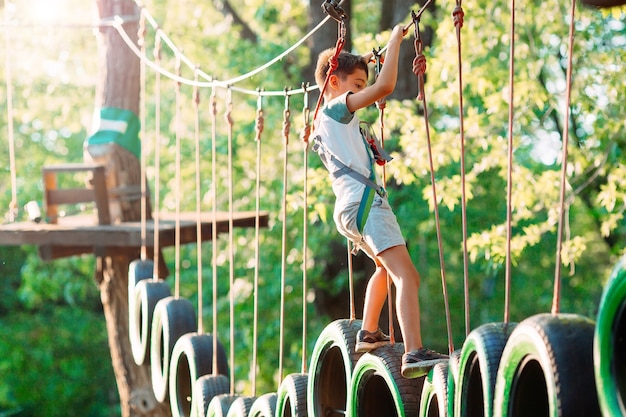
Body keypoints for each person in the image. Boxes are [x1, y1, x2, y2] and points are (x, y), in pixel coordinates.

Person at [310, 24, 448, 378]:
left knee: (385, 269)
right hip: (365, 202)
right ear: (333, 82)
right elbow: (384, 86)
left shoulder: (325, 124)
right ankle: (414, 351)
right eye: (356, 85)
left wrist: (370, 59)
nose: (362, 93)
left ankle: (369, 331)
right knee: (408, 276)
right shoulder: (336, 109)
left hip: (350, 207)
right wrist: (395, 41)